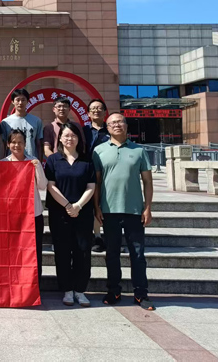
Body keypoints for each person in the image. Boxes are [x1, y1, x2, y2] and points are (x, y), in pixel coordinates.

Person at [93, 112, 155, 310]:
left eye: (120, 121)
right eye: (112, 123)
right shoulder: (99, 151)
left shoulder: (139, 150)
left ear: (126, 126)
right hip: (109, 210)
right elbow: (97, 182)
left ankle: (141, 293)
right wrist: (96, 207)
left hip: (134, 210)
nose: (117, 125)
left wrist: (148, 208)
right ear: (107, 128)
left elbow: (147, 181)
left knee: (138, 254)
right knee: (112, 253)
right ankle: (114, 290)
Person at [45, 122, 96, 307]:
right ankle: (67, 290)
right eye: (66, 135)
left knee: (83, 251)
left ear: (78, 139)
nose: (70, 138)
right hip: (60, 213)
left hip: (83, 213)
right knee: (62, 252)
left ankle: (80, 290)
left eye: (73, 135)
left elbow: (91, 186)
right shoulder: (53, 160)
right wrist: (67, 205)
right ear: (60, 138)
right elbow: (51, 186)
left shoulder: (87, 160)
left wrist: (78, 206)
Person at [0, 129, 48, 282]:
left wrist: (37, 168)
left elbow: (42, 186)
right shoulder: (3, 164)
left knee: (34, 251)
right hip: (11, 216)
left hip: (33, 215)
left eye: (20, 142)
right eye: (13, 142)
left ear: (25, 144)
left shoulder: (33, 161)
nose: (17, 145)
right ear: (8, 144)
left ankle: (34, 284)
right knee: (12, 251)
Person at [83, 98, 110, 253]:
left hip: (108, 172)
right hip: (89, 172)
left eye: (99, 108)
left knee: (107, 203)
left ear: (105, 112)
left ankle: (111, 236)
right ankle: (97, 236)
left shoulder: (111, 129)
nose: (96, 111)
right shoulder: (83, 131)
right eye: (93, 109)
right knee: (93, 204)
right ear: (88, 113)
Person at [1, 88, 43, 160]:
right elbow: (3, 145)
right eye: (17, 100)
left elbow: (39, 145)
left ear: (27, 101)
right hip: (12, 161)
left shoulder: (36, 121)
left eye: (23, 100)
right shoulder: (6, 122)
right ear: (12, 102)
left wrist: (39, 162)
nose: (20, 103)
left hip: (31, 161)